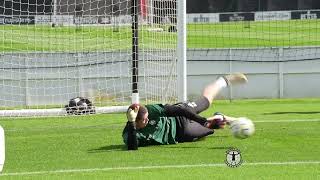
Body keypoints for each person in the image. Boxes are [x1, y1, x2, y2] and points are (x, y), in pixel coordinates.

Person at [122, 73, 248, 150]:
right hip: (182, 133)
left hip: (181, 114)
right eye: (144, 120)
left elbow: (178, 110)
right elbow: (132, 147)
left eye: (147, 117)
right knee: (212, 128)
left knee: (206, 101)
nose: (148, 120)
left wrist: (202, 120)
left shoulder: (151, 110)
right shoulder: (129, 134)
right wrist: (132, 124)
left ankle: (223, 80)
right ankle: (218, 117)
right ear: (135, 121)